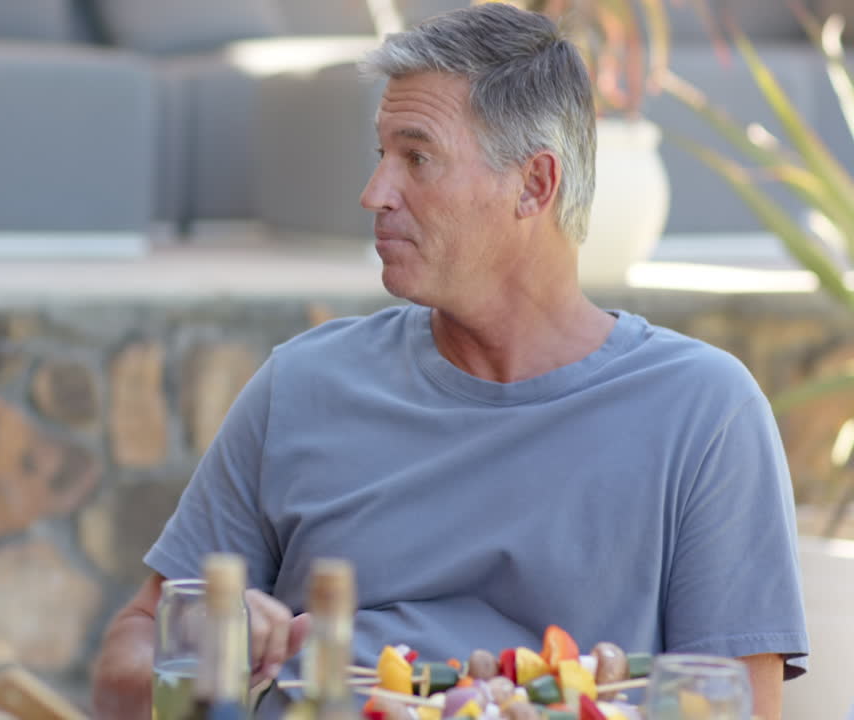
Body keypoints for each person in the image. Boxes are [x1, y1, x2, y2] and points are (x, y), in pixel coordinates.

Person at [91, 4, 808, 719]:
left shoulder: (702, 413)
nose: (375, 195)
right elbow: (123, 665)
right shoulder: (303, 386)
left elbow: (735, 705)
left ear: (535, 184)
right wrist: (210, 657)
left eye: (418, 158)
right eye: (381, 156)